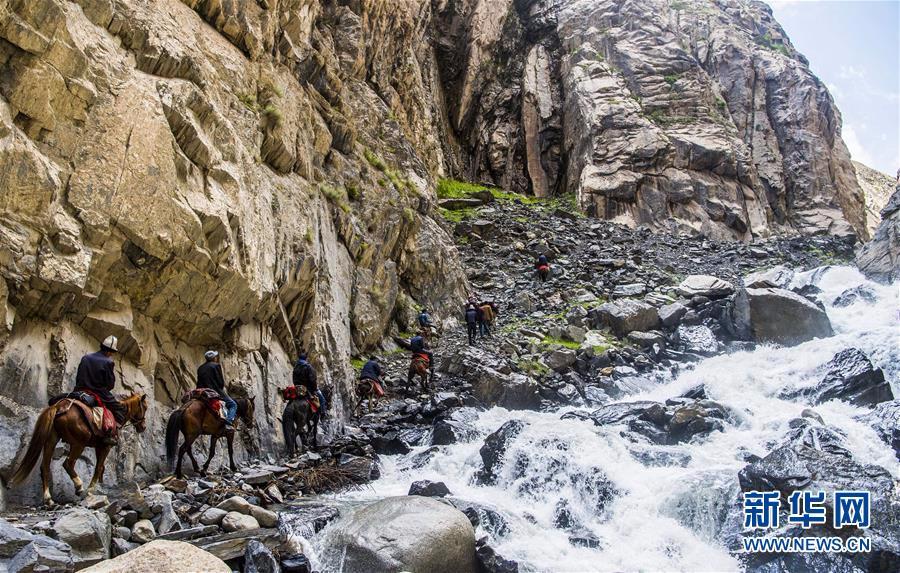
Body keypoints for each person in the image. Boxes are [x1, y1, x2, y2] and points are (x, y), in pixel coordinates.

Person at [74, 335, 125, 445]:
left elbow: (78, 377)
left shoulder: (86, 357)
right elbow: (110, 385)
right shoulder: (108, 362)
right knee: (120, 410)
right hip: (98, 393)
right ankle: (109, 435)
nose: (111, 354)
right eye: (112, 352)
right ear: (110, 351)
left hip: (79, 390)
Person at [197, 350, 237, 428]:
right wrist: (220, 389)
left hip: (201, 391)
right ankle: (228, 422)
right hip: (214, 390)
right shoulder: (216, 365)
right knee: (233, 404)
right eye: (215, 356)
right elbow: (220, 382)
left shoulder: (200, 368)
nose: (216, 358)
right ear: (213, 358)